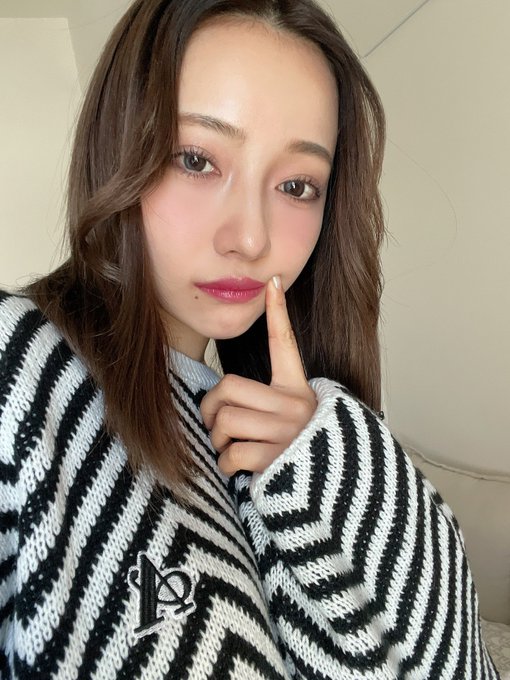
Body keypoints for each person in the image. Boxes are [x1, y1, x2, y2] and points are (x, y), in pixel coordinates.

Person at [0, 0, 499, 678]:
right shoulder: (22, 367)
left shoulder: (283, 434)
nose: (252, 237)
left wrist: (335, 464)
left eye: (297, 185)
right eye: (196, 159)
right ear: (118, 146)